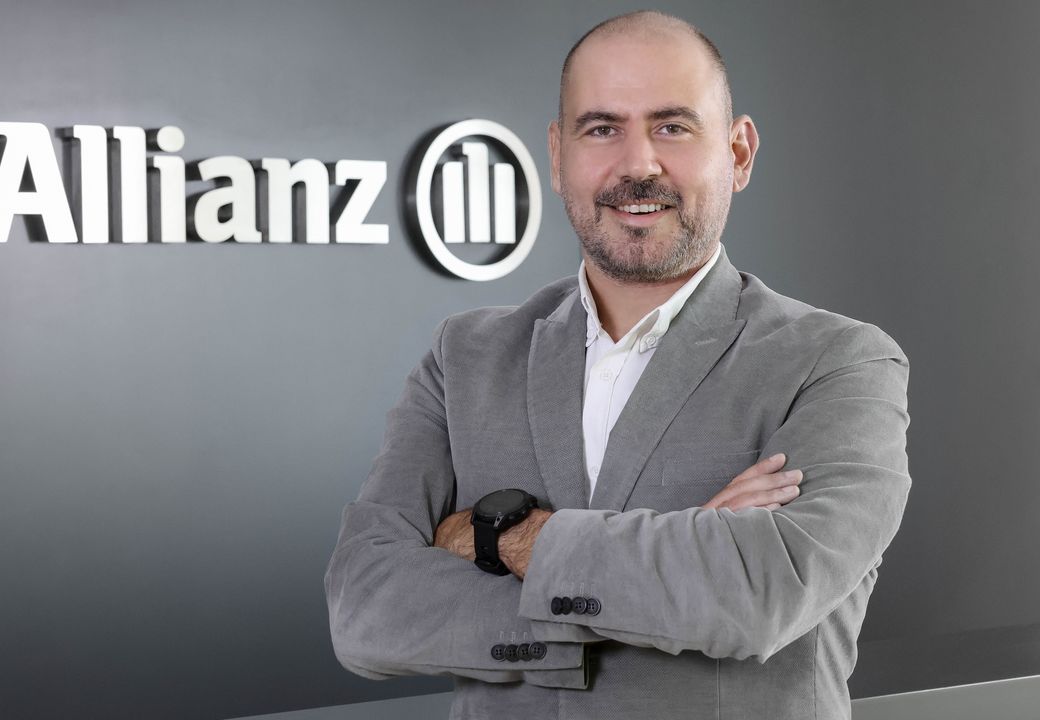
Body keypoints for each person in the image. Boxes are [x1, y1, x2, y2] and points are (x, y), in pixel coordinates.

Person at [324, 10, 910, 720]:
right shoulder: (465, 357)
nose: (638, 165)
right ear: (557, 155)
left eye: (673, 126)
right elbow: (364, 608)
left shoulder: (839, 363)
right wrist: (678, 559)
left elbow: (762, 591)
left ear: (739, 152)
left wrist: (496, 538)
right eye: (602, 128)